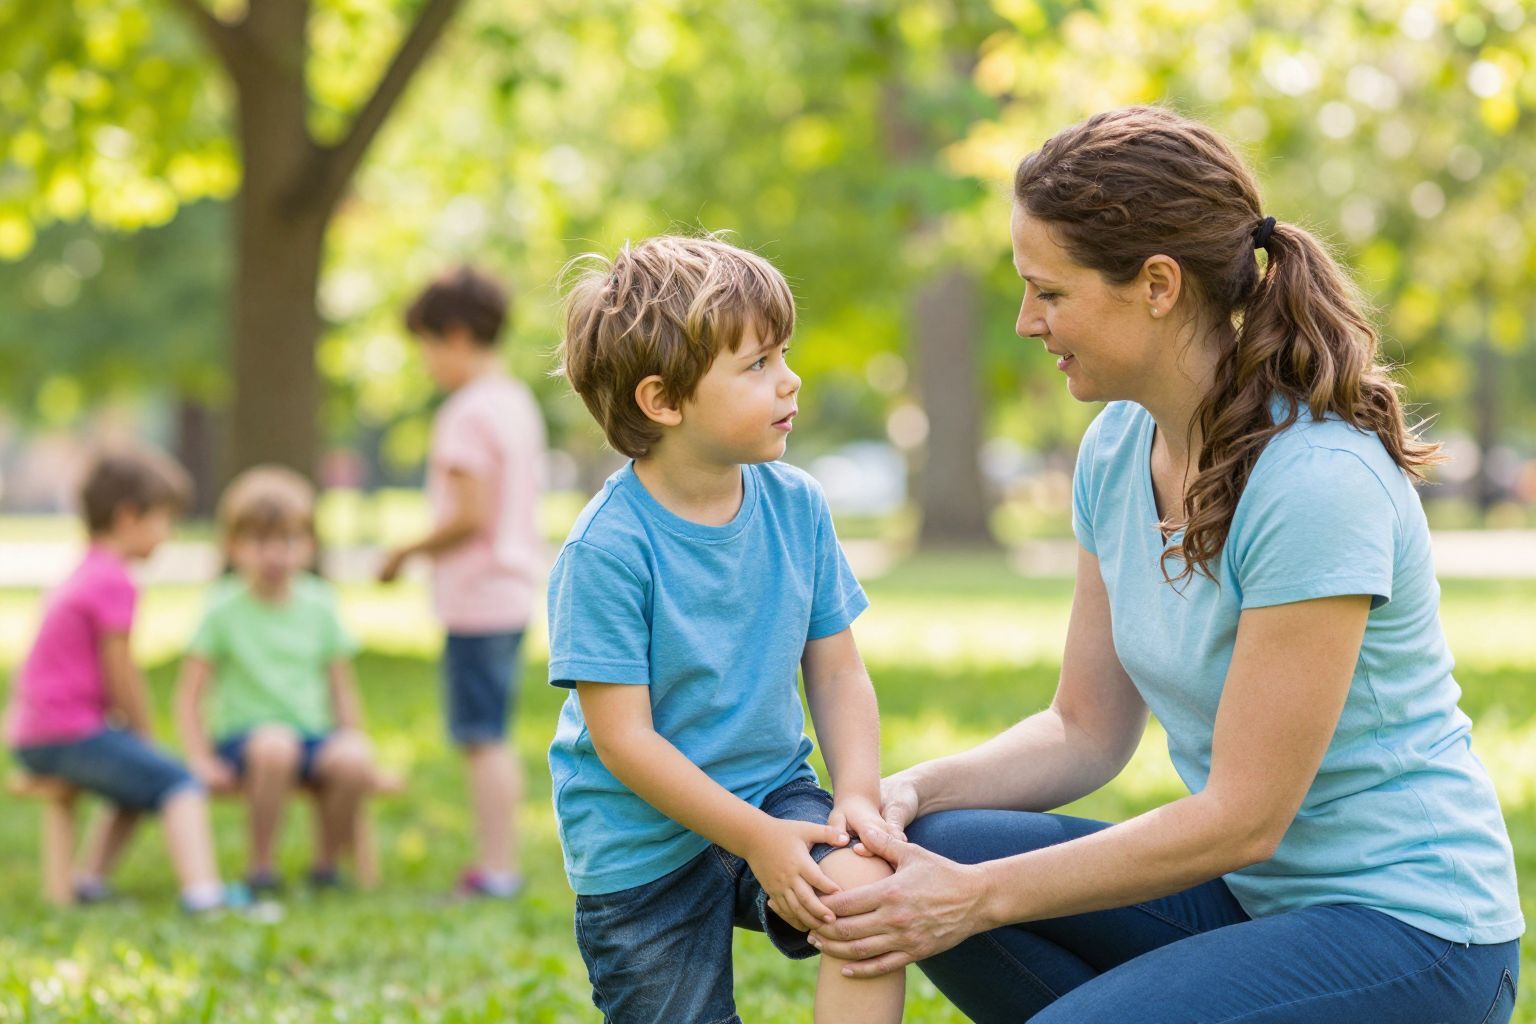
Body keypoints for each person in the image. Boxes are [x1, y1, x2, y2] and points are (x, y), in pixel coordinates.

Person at [806, 106, 1524, 1023]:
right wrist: (908, 794)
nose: (1027, 321)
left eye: (1050, 292)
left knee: (970, 888)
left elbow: (1243, 819)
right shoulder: (1115, 449)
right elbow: (1084, 727)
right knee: (942, 841)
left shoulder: (1316, 482)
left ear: (1156, 284)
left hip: (1415, 935)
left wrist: (978, 897)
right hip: (1252, 907)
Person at [547, 235, 904, 1022]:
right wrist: (752, 840)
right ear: (663, 402)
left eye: (784, 354)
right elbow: (624, 741)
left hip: (771, 793)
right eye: (757, 366)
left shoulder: (797, 504)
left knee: (867, 899)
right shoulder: (607, 548)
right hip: (640, 844)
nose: (791, 379)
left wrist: (855, 796)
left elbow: (839, 672)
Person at [6, 448, 236, 912]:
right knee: (177, 782)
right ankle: (205, 893)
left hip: (36, 731)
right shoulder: (114, 580)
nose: (167, 535)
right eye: (163, 520)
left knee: (136, 782)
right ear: (128, 517)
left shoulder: (85, 567)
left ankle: (89, 881)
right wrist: (144, 731)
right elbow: (121, 670)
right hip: (66, 732)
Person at [380, 266, 545, 899]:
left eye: (425, 346)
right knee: (490, 729)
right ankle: (498, 863)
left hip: (477, 594)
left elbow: (468, 515)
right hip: (510, 588)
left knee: (482, 737)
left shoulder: (466, 413)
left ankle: (497, 868)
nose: (425, 363)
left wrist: (402, 552)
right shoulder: (515, 402)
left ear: (453, 334)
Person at [175, 465, 376, 893]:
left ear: (308, 545)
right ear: (233, 546)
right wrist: (199, 758)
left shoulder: (319, 603)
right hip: (245, 743)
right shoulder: (222, 607)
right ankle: (261, 866)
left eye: (288, 540)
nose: (276, 554)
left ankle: (326, 866)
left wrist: (352, 737)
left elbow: (341, 687)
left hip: (311, 738)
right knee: (274, 746)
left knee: (353, 758)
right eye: (260, 541)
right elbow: (189, 696)